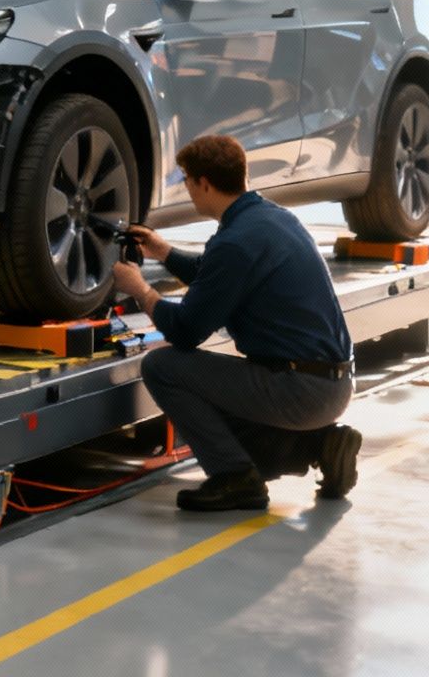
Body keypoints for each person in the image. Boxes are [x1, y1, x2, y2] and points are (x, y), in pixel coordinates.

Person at [113, 135, 361, 512]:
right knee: (226, 389)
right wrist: (161, 250)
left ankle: (234, 478)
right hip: (332, 384)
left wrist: (141, 290)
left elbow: (184, 331)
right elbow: (213, 273)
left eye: (188, 181)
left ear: (205, 183)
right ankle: (320, 446)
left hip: (298, 390)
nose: (188, 189)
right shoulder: (270, 219)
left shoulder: (235, 242)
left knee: (163, 367)